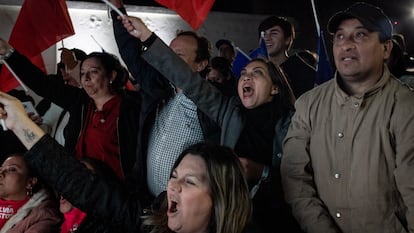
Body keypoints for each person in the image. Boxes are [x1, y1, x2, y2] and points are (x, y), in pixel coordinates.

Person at [119, 15, 302, 232]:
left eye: (257, 73)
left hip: (271, 221)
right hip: (228, 218)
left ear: (275, 88)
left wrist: (261, 172)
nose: (246, 77)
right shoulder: (227, 111)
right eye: (243, 73)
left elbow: (299, 183)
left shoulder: (293, 125)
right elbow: (188, 81)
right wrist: (148, 38)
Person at [0, 93, 255, 233]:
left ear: (220, 198)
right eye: (174, 175)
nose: (172, 186)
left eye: (189, 181)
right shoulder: (151, 224)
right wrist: (20, 124)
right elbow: (87, 188)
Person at [281, 2, 414, 232]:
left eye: (360, 35)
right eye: (340, 37)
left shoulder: (404, 106)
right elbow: (294, 178)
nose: (346, 45)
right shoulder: (309, 104)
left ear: (386, 49)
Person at [109, 0, 221, 203]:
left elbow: (186, 80)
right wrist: (117, 10)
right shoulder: (158, 90)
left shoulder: (210, 101)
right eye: (167, 54)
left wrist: (147, 37)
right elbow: (132, 54)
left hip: (186, 209)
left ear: (201, 64)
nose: (167, 61)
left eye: (177, 56)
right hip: (149, 203)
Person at [0, 39, 141, 182]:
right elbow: (41, 83)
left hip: (114, 190)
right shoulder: (80, 101)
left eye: (93, 72)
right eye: (82, 73)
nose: (85, 78)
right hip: (78, 184)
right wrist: (9, 53)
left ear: (112, 75)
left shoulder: (131, 108)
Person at [0, 153, 62, 232]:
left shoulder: (43, 217)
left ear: (30, 182)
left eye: (12, 169)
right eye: (1, 169)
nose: (1, 174)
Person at [258, 15, 316, 98]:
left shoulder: (303, 72)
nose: (267, 38)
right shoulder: (255, 70)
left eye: (273, 33)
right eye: (263, 34)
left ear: (287, 40)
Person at [59, 157, 121, 233]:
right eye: (68, 181)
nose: (68, 187)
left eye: (78, 181)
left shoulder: (104, 227)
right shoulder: (62, 228)